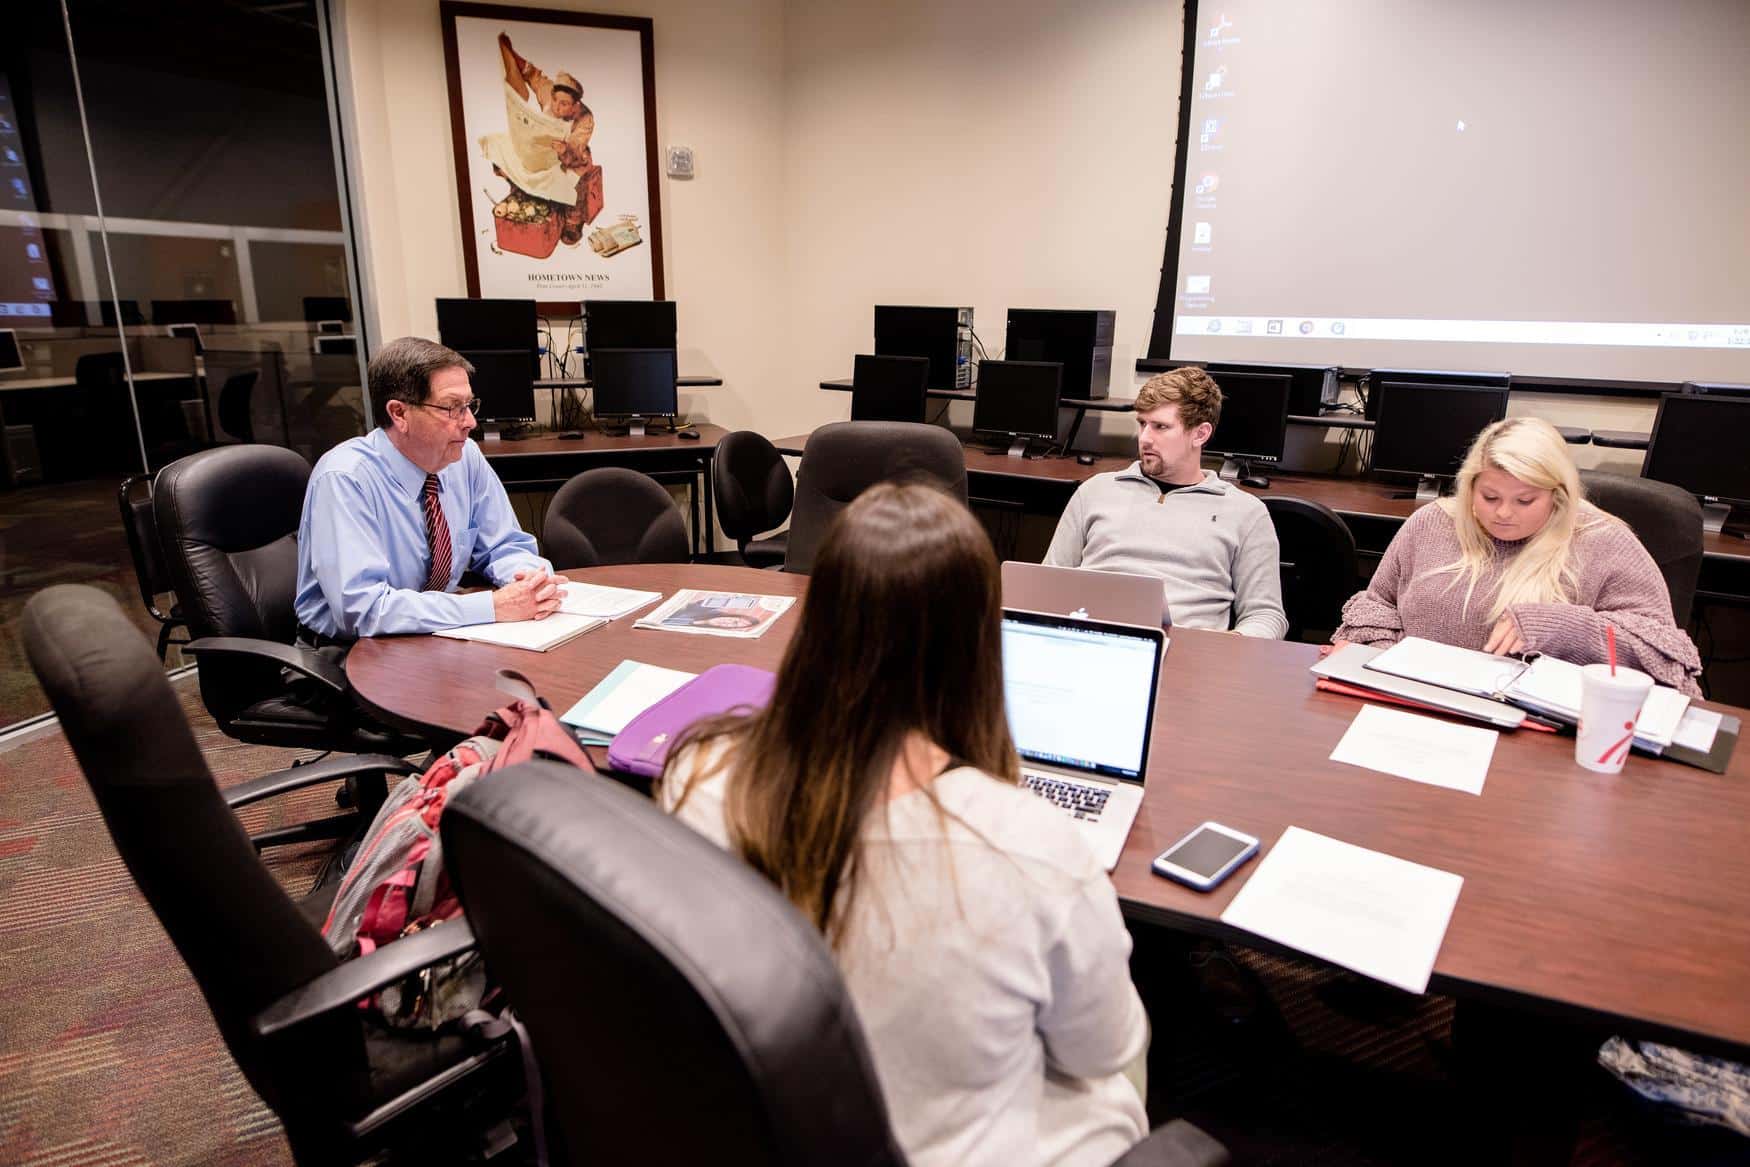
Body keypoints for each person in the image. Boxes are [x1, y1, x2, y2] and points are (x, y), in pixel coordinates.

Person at [659, 483, 1149, 1167]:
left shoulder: (697, 774)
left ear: (818, 617)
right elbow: (1102, 1046)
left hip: (763, 1127)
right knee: (1115, 1078)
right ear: (981, 645)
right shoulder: (1033, 844)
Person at [1334, 416, 1702, 694]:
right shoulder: (1432, 523)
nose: (1504, 513)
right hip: (1417, 704)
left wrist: (1561, 625)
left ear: (1557, 494)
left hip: (1542, 729)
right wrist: (1379, 660)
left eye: (1525, 500)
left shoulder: (1604, 543)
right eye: (1489, 497)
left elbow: (1664, 656)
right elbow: (1378, 606)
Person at [294, 336, 567, 643]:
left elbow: (504, 545)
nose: (470, 422)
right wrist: (490, 607)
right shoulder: (345, 479)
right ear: (399, 413)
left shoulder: (465, 457)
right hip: (353, 651)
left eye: (469, 405)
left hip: (436, 632)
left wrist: (530, 579)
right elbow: (365, 609)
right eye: (452, 408)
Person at [1045, 367, 1287, 637]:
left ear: (1200, 434)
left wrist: (1233, 643)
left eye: (1161, 427)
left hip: (1189, 654)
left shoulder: (1245, 513)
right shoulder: (1095, 491)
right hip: (1091, 639)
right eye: (1142, 424)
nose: (1145, 437)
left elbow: (1266, 615)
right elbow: (1049, 582)